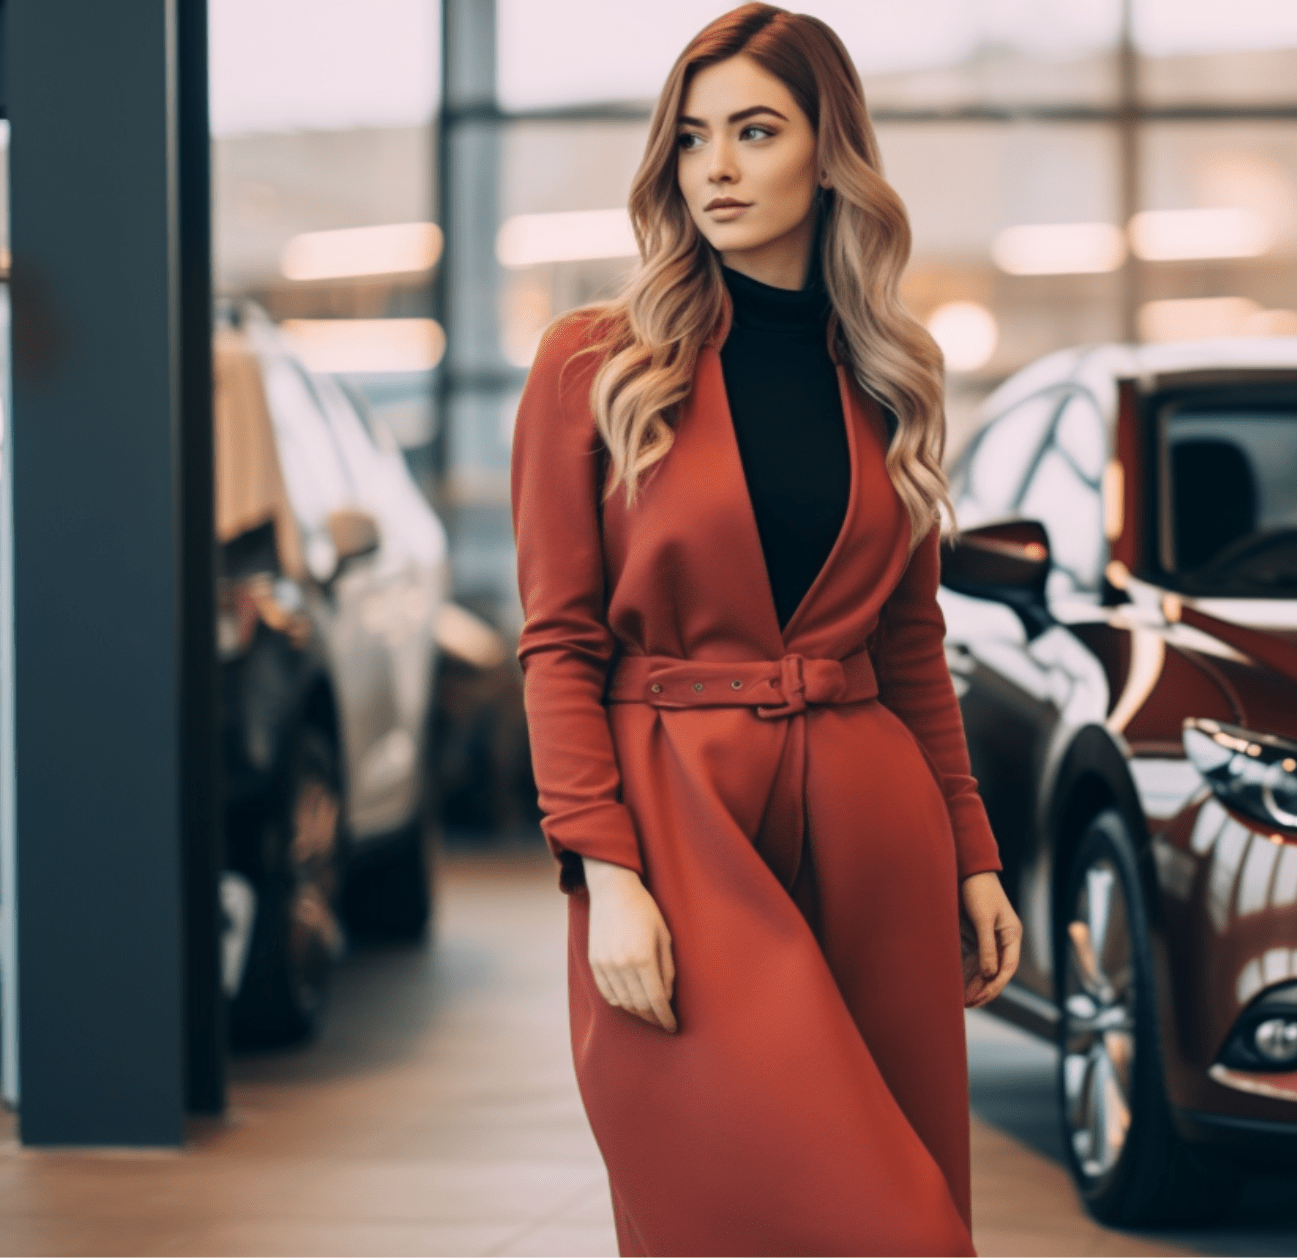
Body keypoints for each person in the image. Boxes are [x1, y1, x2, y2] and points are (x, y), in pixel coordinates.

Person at [509, 6, 1022, 1253]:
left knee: (910, 1206)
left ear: (828, 148)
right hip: (676, 823)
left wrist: (970, 850)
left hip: (871, 822)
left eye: (754, 131)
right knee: (757, 1210)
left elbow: (909, 644)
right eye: (691, 140)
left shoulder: (891, 367)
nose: (718, 169)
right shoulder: (594, 363)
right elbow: (558, 642)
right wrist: (604, 871)